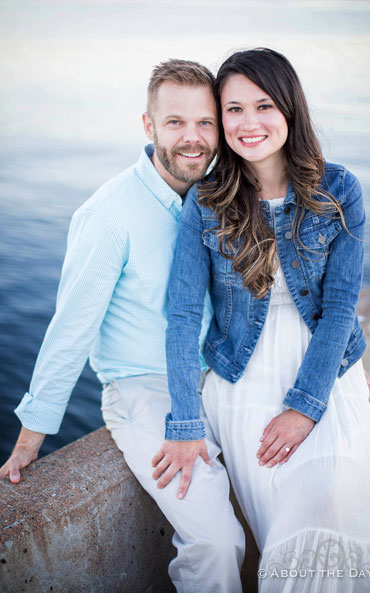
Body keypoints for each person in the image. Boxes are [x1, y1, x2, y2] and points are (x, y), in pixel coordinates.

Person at [0, 59, 245, 593]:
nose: (193, 138)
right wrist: (30, 435)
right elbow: (71, 328)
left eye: (205, 123)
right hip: (145, 388)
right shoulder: (109, 213)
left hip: (217, 379)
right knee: (218, 542)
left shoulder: (218, 197)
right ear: (148, 125)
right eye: (175, 122)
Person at [159, 48, 370, 592]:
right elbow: (183, 314)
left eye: (262, 105)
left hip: (324, 370)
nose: (248, 123)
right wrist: (186, 423)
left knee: (333, 503)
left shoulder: (340, 190)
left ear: (290, 107)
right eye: (233, 109)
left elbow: (339, 308)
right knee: (288, 529)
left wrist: (305, 407)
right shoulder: (208, 201)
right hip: (243, 375)